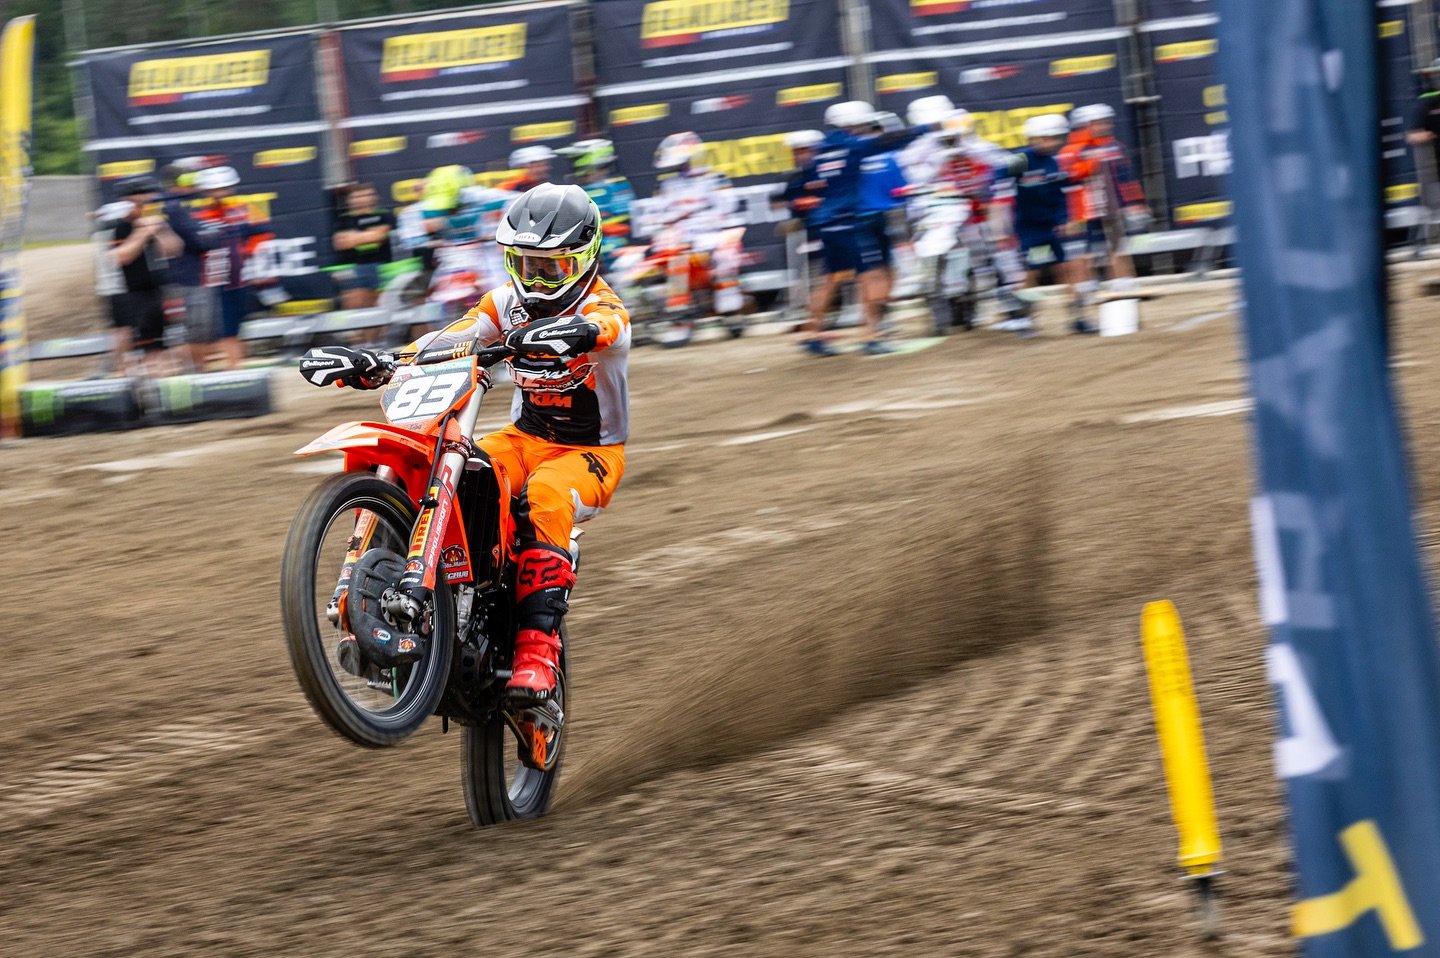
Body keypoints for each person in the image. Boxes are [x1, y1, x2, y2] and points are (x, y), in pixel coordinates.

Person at [442, 184, 630, 704]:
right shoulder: (503, 303)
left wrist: (578, 332)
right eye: (526, 266)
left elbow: (612, 325)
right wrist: (381, 359)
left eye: (553, 268)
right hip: (522, 439)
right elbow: (452, 337)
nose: (537, 279)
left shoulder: (601, 303)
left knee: (547, 493)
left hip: (590, 454)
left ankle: (537, 650)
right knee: (460, 467)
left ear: (586, 259)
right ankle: (460, 596)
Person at [795, 100, 935, 356]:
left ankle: (812, 335)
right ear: (850, 123)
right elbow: (886, 142)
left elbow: (815, 184)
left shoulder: (820, 151)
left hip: (826, 222)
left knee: (829, 280)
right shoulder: (852, 146)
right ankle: (872, 336)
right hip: (850, 219)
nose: (862, 127)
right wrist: (924, 128)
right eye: (860, 123)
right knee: (872, 275)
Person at [1004, 113, 1094, 336]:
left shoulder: (1054, 162)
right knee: (1031, 273)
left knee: (1066, 270)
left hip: (1050, 227)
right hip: (1027, 229)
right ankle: (1025, 320)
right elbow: (997, 182)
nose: (1053, 143)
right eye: (1047, 138)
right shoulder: (1020, 160)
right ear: (1033, 138)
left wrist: (1064, 219)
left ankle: (1078, 318)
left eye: (1056, 138)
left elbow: (1060, 195)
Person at [650, 131, 744, 326]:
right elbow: (658, 213)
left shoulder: (716, 179)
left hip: (709, 236)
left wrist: (702, 221)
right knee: (668, 247)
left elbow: (728, 208)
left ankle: (731, 309)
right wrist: (667, 223)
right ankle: (677, 305)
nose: (680, 166)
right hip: (680, 239)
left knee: (726, 251)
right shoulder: (669, 184)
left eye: (682, 162)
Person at [1058, 104, 1148, 301]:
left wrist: (1135, 202)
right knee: (1084, 251)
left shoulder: (1115, 146)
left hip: (1111, 207)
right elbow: (1070, 175)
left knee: (1118, 245)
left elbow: (1126, 177)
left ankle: (1123, 284)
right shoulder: (1072, 149)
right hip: (1081, 211)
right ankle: (1085, 290)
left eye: (1107, 122)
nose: (1105, 126)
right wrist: (1091, 161)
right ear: (1085, 124)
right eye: (1099, 123)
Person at [109, 176, 182, 375]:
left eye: (147, 203)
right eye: (138, 203)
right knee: (128, 342)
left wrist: (158, 230)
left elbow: (174, 249)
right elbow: (122, 257)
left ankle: (158, 380)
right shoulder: (118, 226)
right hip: (126, 292)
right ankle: (124, 381)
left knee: (158, 345)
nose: (142, 208)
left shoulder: (153, 222)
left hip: (156, 290)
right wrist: (142, 233)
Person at [193, 166, 258, 369]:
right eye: (215, 189)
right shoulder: (198, 217)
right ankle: (204, 369)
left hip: (238, 277)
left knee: (235, 325)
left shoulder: (244, 210)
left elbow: (262, 234)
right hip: (211, 280)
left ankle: (235, 365)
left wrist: (247, 253)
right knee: (209, 328)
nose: (220, 193)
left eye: (225, 188)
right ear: (206, 191)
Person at [160, 161, 221, 371]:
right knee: (195, 329)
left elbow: (206, 237)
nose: (196, 185)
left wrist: (209, 234)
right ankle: (193, 374)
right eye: (191, 180)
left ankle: (194, 372)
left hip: (185, 277)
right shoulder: (174, 208)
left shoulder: (179, 206)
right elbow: (202, 241)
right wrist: (211, 233)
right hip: (185, 278)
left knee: (197, 329)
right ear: (178, 182)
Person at [558, 138, 636, 270]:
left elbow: (626, 223)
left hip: (615, 252)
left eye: (577, 161)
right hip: (582, 254)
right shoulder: (574, 190)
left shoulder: (618, 187)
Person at [332, 183, 395, 309]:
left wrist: (355, 237)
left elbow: (380, 236)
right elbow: (341, 243)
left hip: (382, 269)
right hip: (354, 270)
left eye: (367, 195)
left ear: (375, 197)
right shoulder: (342, 220)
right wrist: (370, 235)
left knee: (381, 311)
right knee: (356, 311)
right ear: (349, 200)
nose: (362, 199)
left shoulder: (384, 215)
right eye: (357, 196)